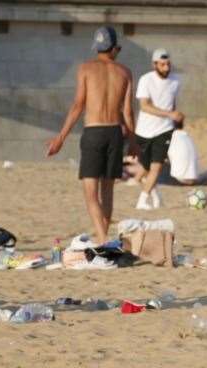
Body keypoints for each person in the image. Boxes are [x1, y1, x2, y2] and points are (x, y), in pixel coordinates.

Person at [46, 26, 136, 245]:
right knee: (107, 191)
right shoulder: (124, 72)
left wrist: (61, 137)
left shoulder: (85, 68)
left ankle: (103, 240)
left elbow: (78, 105)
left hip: (94, 132)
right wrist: (133, 141)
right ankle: (104, 239)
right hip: (115, 132)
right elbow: (127, 112)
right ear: (114, 48)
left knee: (90, 192)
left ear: (97, 47)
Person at [134, 48, 183, 210]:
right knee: (145, 170)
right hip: (144, 131)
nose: (166, 68)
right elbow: (145, 106)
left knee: (157, 167)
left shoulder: (176, 81)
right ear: (155, 64)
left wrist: (175, 119)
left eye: (168, 64)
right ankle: (156, 195)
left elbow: (172, 102)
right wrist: (169, 114)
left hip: (164, 130)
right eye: (162, 64)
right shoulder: (145, 80)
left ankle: (142, 200)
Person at [122, 123, 203, 186]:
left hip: (177, 181)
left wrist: (136, 179)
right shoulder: (185, 135)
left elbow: (149, 162)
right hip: (193, 180)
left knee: (152, 166)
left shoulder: (164, 137)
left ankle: (125, 170)